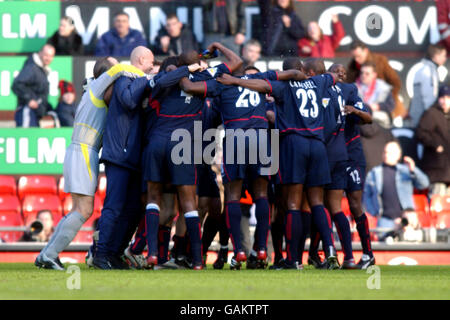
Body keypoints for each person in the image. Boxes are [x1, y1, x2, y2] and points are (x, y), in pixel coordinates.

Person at [35, 57, 146, 270]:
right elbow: (122, 68)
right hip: (85, 151)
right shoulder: (97, 86)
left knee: (77, 208)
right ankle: (49, 254)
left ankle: (46, 254)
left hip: (78, 150)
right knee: (84, 210)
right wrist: (147, 78)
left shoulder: (92, 92)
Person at [142, 43, 242, 270]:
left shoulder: (165, 80)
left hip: (157, 141)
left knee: (153, 200)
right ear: (198, 62)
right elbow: (236, 62)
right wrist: (217, 46)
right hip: (183, 143)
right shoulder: (205, 79)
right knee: (188, 203)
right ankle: (197, 260)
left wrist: (182, 68)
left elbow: (155, 87)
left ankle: (152, 255)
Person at [363, 141, 429, 240]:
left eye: (391, 152)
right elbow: (366, 196)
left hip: (407, 220)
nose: (387, 155)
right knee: (384, 248)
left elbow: (424, 184)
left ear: (399, 155)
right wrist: (374, 212)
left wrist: (413, 170)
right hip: (385, 220)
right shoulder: (374, 173)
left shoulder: (406, 170)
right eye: (385, 152)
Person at [347, 41, 405, 119]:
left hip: (384, 110)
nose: (356, 60)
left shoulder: (380, 61)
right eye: (354, 57)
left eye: (359, 56)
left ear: (366, 51)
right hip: (363, 111)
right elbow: (348, 88)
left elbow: (395, 82)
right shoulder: (352, 66)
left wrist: (386, 101)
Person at [416, 85, 450, 196]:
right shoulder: (431, 113)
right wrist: (435, 145)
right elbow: (420, 133)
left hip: (447, 171)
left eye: (448, 98)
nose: (445, 101)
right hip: (436, 170)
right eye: (442, 97)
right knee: (437, 204)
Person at [12, 44, 55, 127]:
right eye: (46, 55)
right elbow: (17, 84)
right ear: (40, 53)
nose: (48, 58)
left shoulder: (41, 69)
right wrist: (29, 99)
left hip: (34, 113)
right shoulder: (32, 68)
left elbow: (39, 93)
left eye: (51, 56)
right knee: (26, 137)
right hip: (27, 111)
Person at [409, 44, 447, 128]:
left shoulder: (427, 69)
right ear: (436, 56)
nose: (445, 58)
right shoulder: (427, 71)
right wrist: (433, 116)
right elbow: (429, 97)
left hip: (420, 115)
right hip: (422, 116)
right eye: (443, 55)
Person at [355, 62, 395, 128]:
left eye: (367, 73)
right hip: (360, 123)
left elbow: (391, 105)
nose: (363, 75)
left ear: (374, 75)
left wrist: (377, 106)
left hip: (379, 123)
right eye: (362, 73)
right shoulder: (353, 87)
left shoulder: (383, 88)